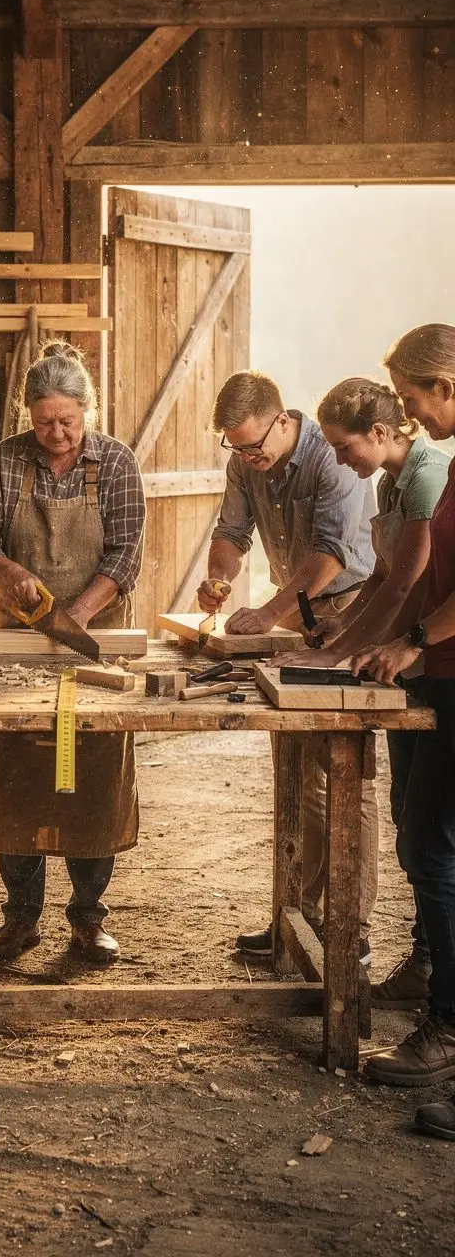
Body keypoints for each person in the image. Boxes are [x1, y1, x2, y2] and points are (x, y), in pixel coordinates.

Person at [0, 341, 146, 964]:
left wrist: (77, 616)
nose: (56, 433)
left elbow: (125, 552)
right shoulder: (7, 460)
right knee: (17, 771)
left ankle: (89, 918)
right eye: (44, 421)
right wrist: (8, 572)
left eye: (68, 420)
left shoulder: (116, 463)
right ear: (28, 414)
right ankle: (19, 917)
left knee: (93, 774)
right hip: (13, 635)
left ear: (87, 411)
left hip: (94, 638)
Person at [197, 370, 377, 963]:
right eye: (237, 448)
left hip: (352, 609)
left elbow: (331, 553)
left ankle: (351, 926)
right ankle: (299, 914)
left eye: (255, 445)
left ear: (281, 420)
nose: (249, 457)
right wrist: (220, 577)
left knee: (345, 767)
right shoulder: (245, 461)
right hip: (298, 613)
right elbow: (230, 533)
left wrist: (269, 613)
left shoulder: (331, 456)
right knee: (299, 770)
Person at [284, 376, 450, 1006]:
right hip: (415, 661)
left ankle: (430, 970)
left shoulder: (431, 475)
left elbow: (408, 584)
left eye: (346, 446)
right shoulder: (393, 480)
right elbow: (383, 578)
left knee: (430, 837)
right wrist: (341, 637)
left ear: (381, 433)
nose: (342, 460)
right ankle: (424, 964)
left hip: (435, 660)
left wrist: (337, 653)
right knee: (413, 821)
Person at [354, 326, 455, 1139]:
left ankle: (446, 1027)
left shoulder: (434, 465)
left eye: (415, 397)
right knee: (429, 843)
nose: (410, 413)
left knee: (431, 846)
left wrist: (414, 642)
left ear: (445, 384)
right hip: (442, 673)